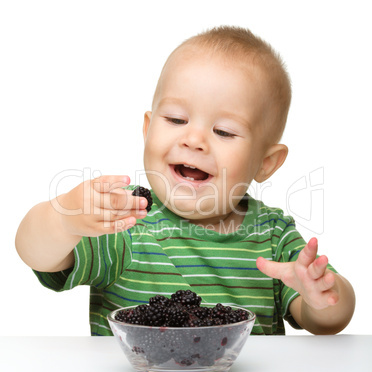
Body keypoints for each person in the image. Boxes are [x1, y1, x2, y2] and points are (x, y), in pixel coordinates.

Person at [15, 26, 355, 336]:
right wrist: (63, 220)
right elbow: (35, 254)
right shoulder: (125, 220)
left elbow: (329, 321)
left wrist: (321, 295)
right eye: (176, 119)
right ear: (148, 130)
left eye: (223, 131)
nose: (193, 140)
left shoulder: (272, 236)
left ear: (265, 163)